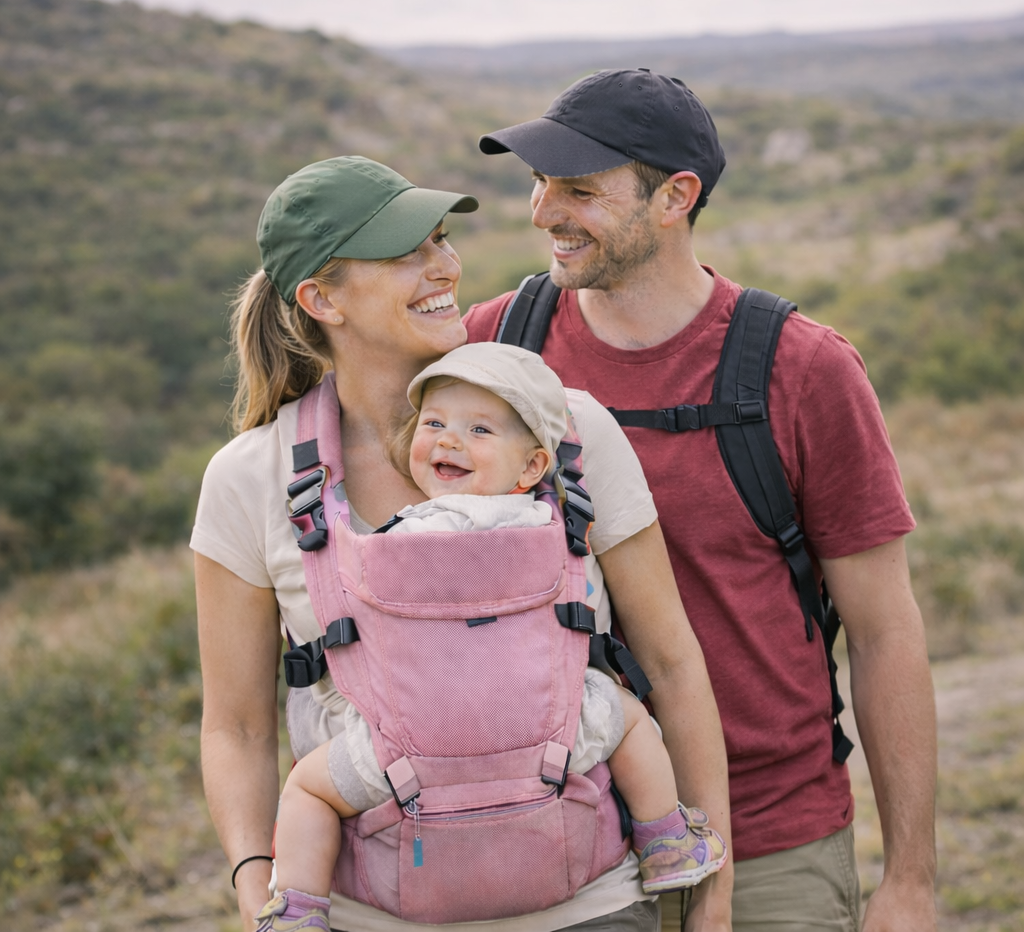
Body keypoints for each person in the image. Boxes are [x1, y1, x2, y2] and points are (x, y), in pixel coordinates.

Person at [191, 155, 731, 932]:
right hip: (367, 915)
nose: (445, 266)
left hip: (594, 908)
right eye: (407, 253)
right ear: (320, 299)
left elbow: (674, 665)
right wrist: (256, 893)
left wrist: (709, 901)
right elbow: (236, 727)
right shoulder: (252, 478)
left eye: (442, 240)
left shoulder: (569, 433)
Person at [464, 70, 938, 932]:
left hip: (768, 841)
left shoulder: (803, 371)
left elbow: (884, 630)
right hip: (556, 843)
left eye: (578, 190)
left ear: (676, 196)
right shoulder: (498, 347)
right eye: (538, 184)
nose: (542, 212)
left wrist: (911, 880)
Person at [257, 342, 728, 931]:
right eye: (434, 424)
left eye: (478, 429)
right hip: (553, 739)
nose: (450, 440)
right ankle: (665, 839)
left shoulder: (401, 531)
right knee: (629, 719)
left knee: (307, 789)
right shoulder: (549, 519)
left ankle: (299, 906)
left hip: (401, 757)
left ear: (532, 464)